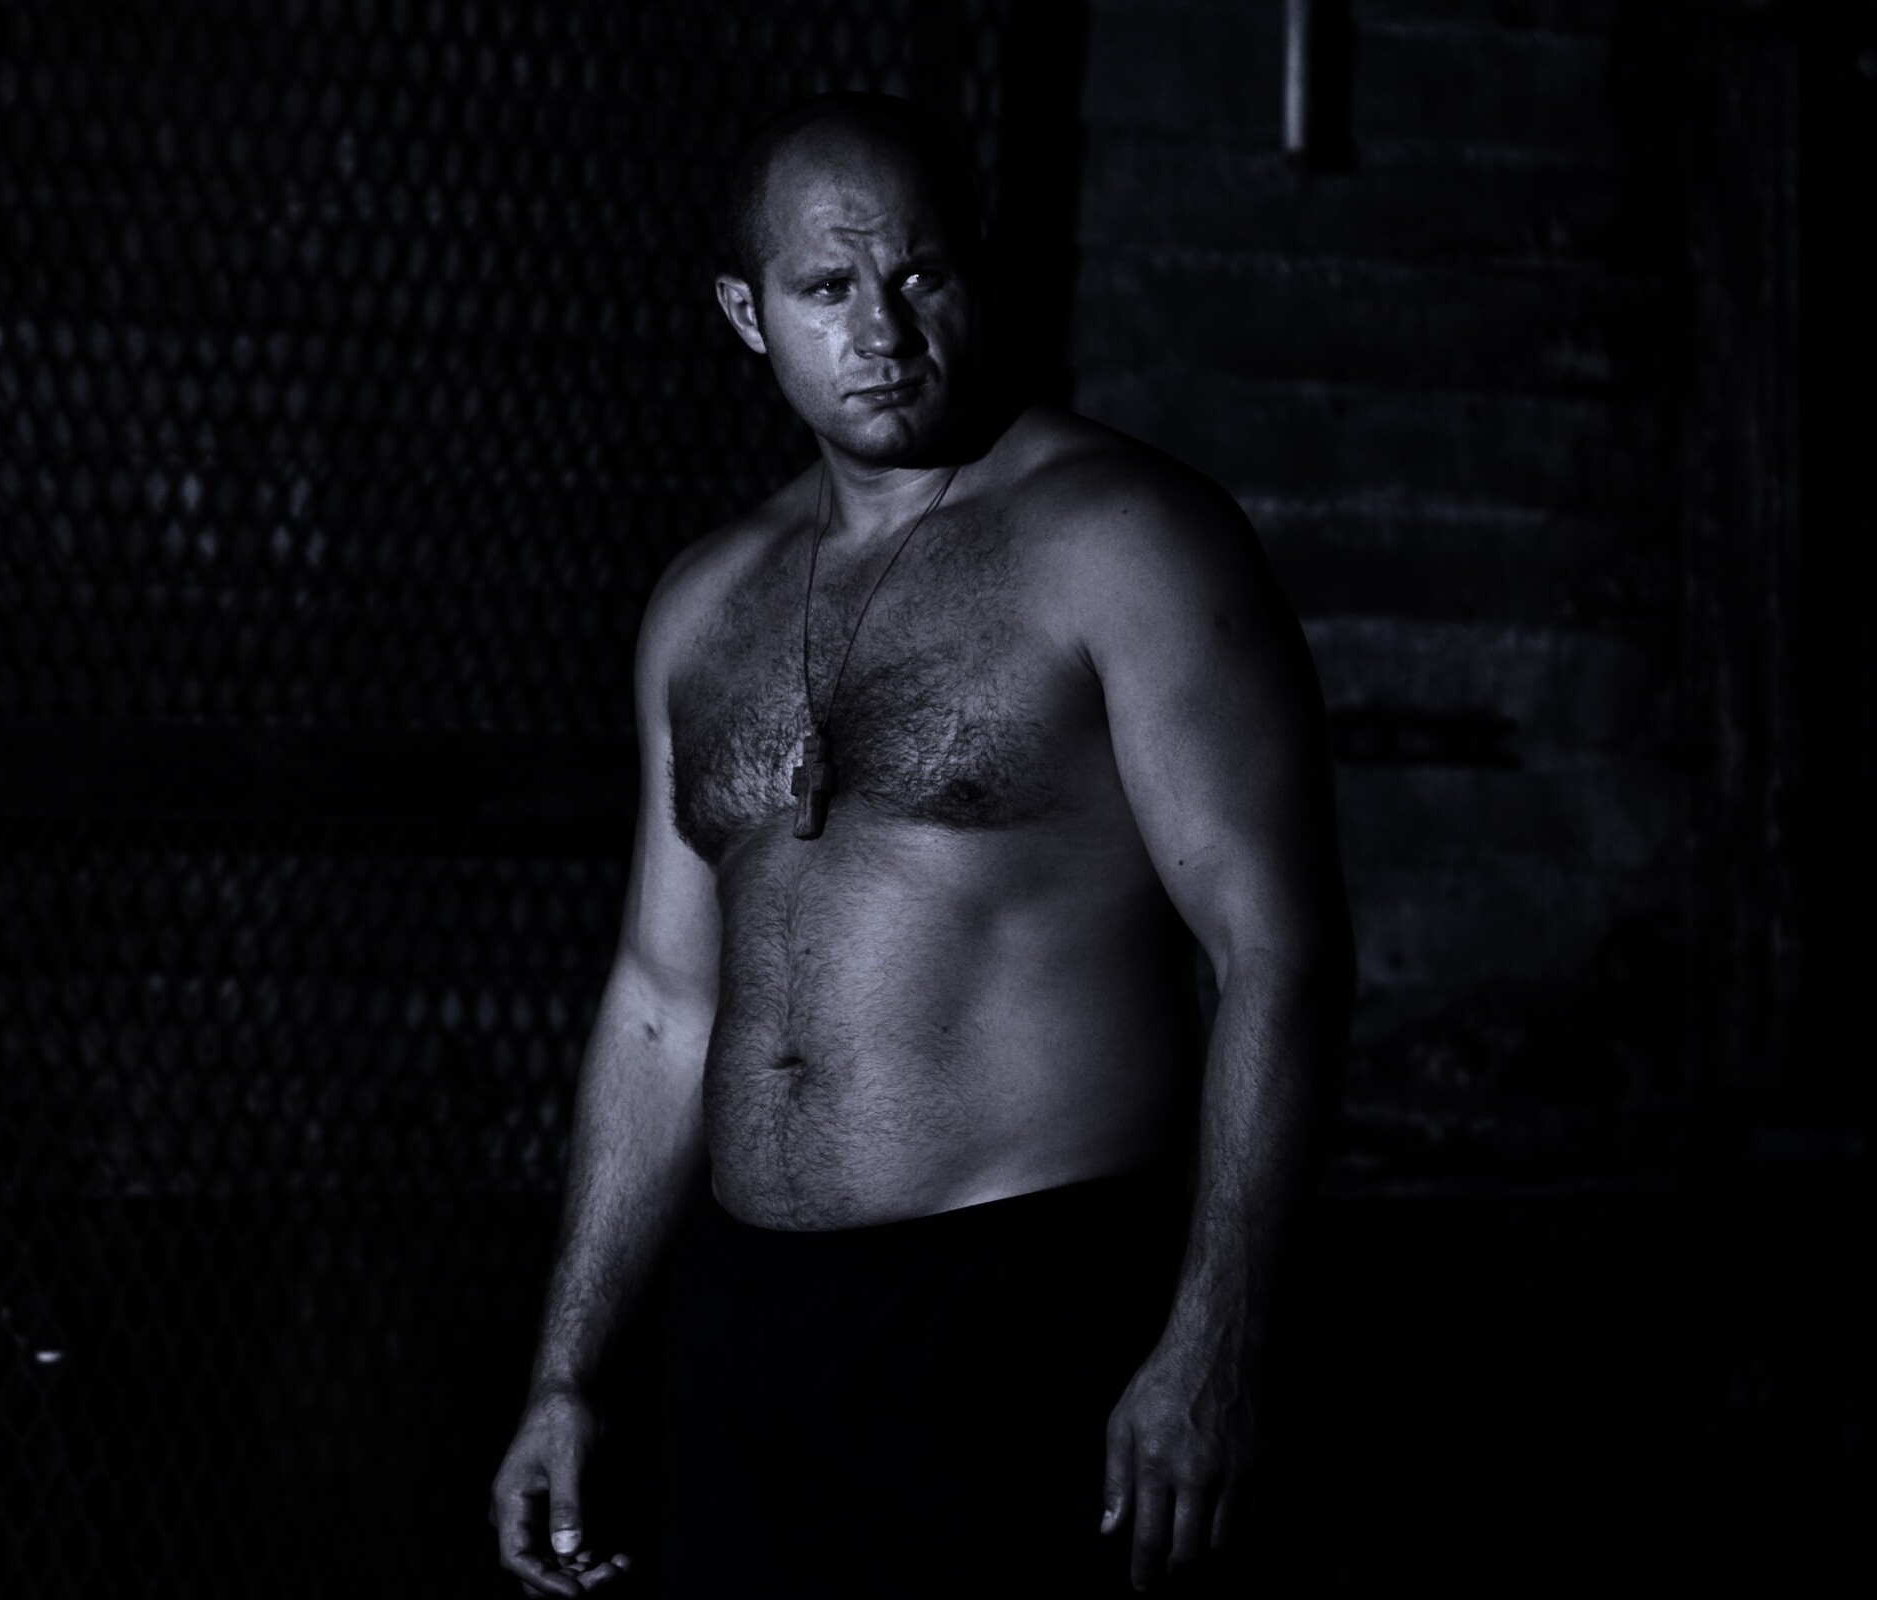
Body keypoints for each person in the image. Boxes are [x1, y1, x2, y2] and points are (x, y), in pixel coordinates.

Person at [487, 92, 1353, 1597]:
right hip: (752, 1330)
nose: (881, 331)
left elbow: (1279, 948)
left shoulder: (1123, 539)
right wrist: (567, 1372)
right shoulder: (704, 604)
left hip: (1033, 1305)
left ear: (977, 277)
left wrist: (1214, 1336)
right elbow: (660, 1003)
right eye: (828, 288)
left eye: (919, 275)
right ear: (747, 316)